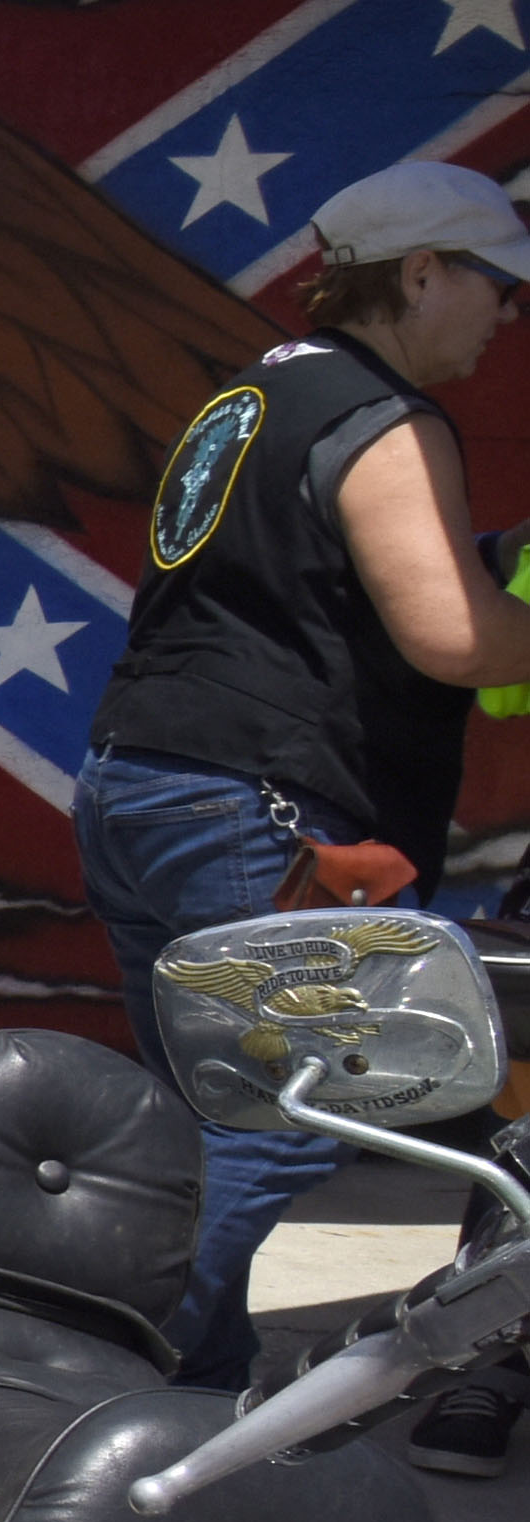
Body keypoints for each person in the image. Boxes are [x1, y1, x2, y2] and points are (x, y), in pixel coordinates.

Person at [74, 157, 530, 1410]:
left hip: (138, 789)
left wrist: (494, 558)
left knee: (203, 1117)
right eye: (498, 285)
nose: (506, 314)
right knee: (293, 1117)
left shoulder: (254, 393)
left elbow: (303, 582)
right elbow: (451, 636)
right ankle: (93, 1378)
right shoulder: (384, 417)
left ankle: (184, 1405)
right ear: (420, 273)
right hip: (258, 809)